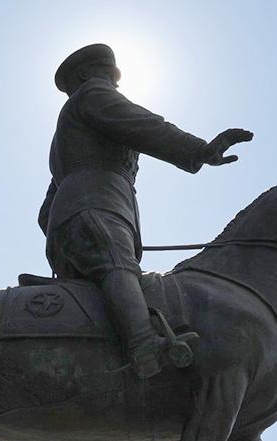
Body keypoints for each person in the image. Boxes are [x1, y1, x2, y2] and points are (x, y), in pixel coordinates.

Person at [39, 43, 253, 378]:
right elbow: (143, 125)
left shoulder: (68, 136)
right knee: (118, 267)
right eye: (109, 76)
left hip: (78, 215)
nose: (115, 85)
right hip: (97, 207)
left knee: (105, 290)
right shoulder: (92, 94)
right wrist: (199, 150)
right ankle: (145, 349)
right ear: (86, 76)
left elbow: (46, 210)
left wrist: (62, 226)